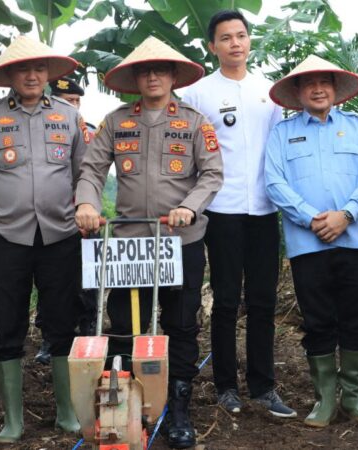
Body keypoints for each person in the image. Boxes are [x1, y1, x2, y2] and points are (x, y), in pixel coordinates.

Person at [74, 36, 223, 449]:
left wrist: (189, 208)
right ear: (135, 78)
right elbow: (90, 169)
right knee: (124, 325)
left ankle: (178, 406)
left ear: (174, 76)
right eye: (144, 70)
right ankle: (125, 402)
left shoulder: (195, 122)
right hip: (128, 241)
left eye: (160, 70)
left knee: (180, 323)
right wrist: (87, 203)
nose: (152, 76)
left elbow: (211, 175)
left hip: (180, 239)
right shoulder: (116, 121)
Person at [0, 36, 89, 443]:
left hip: (61, 235)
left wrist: (87, 209)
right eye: (23, 69)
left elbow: (85, 173)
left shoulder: (69, 118)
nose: (32, 75)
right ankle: (12, 420)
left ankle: (66, 412)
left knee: (62, 320)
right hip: (5, 237)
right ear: (10, 77)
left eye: (39, 69)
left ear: (49, 74)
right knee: (6, 321)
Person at [181, 10, 294, 418]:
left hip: (265, 208)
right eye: (225, 37)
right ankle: (226, 386)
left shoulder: (271, 92)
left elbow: (280, 148)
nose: (235, 43)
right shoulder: (197, 93)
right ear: (213, 46)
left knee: (263, 300)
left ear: (250, 41)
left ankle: (264, 387)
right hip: (221, 208)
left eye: (241, 36)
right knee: (226, 299)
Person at [265, 55, 358, 428]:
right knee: (317, 321)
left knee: (357, 318)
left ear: (335, 90)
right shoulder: (282, 134)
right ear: (298, 92)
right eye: (309, 83)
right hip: (307, 243)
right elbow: (274, 182)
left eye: (325, 82)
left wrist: (345, 215)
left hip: (356, 239)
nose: (318, 88)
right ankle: (325, 397)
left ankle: (354, 395)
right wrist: (311, 218)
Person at [33, 76, 96, 365]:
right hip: (51, 222)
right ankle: (49, 339)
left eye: (76, 102)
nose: (73, 107)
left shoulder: (88, 133)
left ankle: (86, 336)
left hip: (85, 222)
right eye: (66, 101)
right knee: (51, 284)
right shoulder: (37, 131)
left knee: (86, 284)